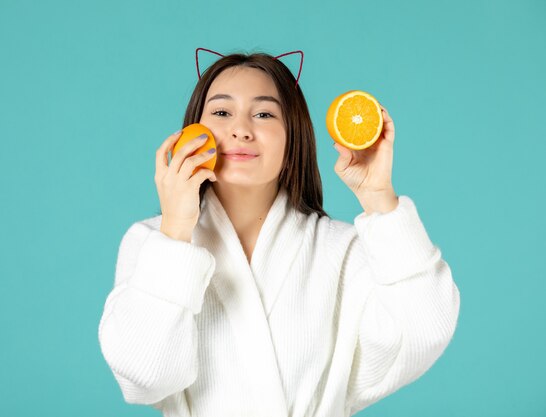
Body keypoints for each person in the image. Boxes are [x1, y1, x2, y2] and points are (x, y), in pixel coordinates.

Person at [97, 48, 461, 417]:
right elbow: (144, 376)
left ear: (293, 139)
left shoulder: (344, 250)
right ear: (192, 131)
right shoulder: (151, 243)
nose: (241, 129)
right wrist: (174, 230)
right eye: (222, 112)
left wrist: (379, 197)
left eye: (264, 114)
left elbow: (422, 333)